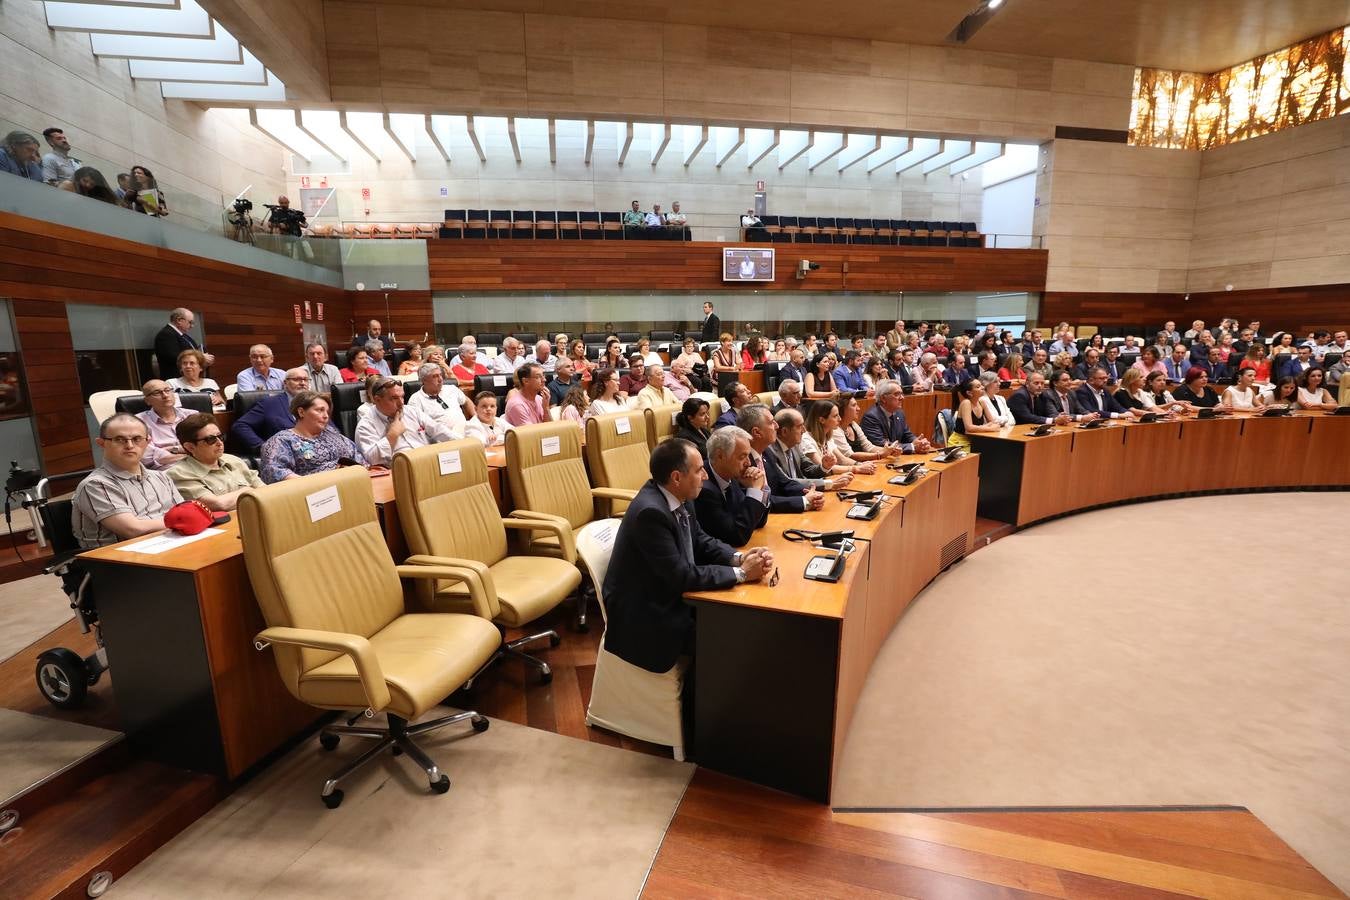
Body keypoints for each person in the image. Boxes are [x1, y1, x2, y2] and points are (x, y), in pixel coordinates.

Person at [602, 438, 771, 680]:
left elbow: (701, 540)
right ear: (676, 477)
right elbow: (681, 576)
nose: (704, 476)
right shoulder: (650, 513)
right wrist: (742, 574)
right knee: (732, 639)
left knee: (742, 621)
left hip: (670, 595)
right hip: (648, 615)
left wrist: (739, 558)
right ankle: (701, 714)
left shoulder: (679, 495)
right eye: (699, 469)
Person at [73, 414, 183, 549]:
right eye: (119, 439)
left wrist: (181, 520)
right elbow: (133, 530)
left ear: (148, 442)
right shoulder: (95, 485)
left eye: (137, 439)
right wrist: (179, 521)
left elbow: (184, 513)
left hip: (170, 545)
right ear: (101, 443)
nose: (129, 445)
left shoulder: (161, 477)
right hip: (119, 561)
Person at [736, 404, 824, 512]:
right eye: (771, 422)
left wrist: (811, 494)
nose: (777, 426)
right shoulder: (741, 462)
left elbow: (785, 483)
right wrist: (803, 501)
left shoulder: (766, 451)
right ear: (757, 432)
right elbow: (761, 501)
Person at [694, 427, 772, 547]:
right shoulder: (703, 489)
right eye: (742, 457)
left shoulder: (730, 475)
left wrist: (762, 489)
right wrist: (754, 491)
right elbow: (737, 536)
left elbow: (758, 522)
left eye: (748, 456)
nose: (749, 463)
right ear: (720, 456)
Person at [260, 391, 361, 483]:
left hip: (352, 484)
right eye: (320, 410)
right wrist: (312, 484)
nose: (326, 416)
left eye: (327, 412)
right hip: (313, 494)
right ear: (301, 412)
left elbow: (357, 456)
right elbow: (273, 471)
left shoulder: (332, 433)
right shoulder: (282, 440)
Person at [167, 414, 263, 510]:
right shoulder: (179, 474)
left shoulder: (234, 460)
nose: (219, 443)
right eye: (210, 439)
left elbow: (265, 491)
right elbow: (219, 505)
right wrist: (249, 491)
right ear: (190, 447)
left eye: (220, 436)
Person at [355, 377, 455, 466]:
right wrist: (392, 435)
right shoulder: (365, 425)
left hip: (427, 461)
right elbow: (372, 460)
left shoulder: (412, 411)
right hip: (398, 471)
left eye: (402, 396)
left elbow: (438, 430)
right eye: (394, 398)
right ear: (377, 400)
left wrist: (465, 443)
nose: (401, 403)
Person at [229, 368, 314, 453]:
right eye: (297, 379)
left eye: (305, 380)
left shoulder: (316, 403)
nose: (302, 383)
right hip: (282, 456)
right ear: (285, 383)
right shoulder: (270, 404)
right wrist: (263, 447)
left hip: (313, 452)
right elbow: (240, 425)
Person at [767, 408, 852, 492]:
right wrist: (828, 483)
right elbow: (788, 482)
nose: (804, 430)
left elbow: (808, 469)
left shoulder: (794, 445)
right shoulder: (770, 452)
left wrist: (824, 467)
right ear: (784, 431)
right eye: (800, 426)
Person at [802, 400, 874, 475]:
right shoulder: (807, 440)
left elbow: (842, 460)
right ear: (822, 420)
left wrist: (860, 464)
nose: (840, 419)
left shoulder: (827, 437)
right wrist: (856, 468)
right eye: (835, 416)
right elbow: (824, 468)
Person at [859, 380, 932, 452]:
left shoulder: (899, 413)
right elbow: (881, 444)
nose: (902, 398)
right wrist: (912, 447)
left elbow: (906, 434)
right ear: (883, 398)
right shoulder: (871, 417)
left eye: (901, 394)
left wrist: (918, 442)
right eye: (897, 394)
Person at [135, 380, 192, 469]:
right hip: (168, 471)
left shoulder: (192, 415)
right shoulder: (138, 422)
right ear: (147, 401)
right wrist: (190, 454)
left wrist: (170, 449)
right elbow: (147, 458)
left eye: (167, 390)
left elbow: (206, 445)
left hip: (201, 465)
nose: (165, 395)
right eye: (157, 393)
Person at [406, 363, 472, 438]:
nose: (440, 379)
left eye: (440, 375)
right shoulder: (416, 400)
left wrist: (475, 418)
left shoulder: (451, 389)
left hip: (465, 432)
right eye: (435, 376)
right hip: (441, 440)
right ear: (424, 380)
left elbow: (466, 401)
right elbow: (415, 427)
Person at [830, 393, 898, 463]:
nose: (858, 409)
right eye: (854, 405)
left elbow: (868, 447)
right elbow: (850, 455)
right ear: (842, 409)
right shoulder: (835, 430)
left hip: (861, 466)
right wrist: (880, 455)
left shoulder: (853, 424)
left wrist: (890, 451)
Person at [154, 308, 212, 379]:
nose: (192, 326)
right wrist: (200, 357)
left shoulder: (184, 336)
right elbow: (174, 357)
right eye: (190, 322)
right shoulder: (166, 334)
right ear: (179, 320)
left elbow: (194, 350)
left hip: (190, 378)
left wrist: (204, 360)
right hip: (177, 379)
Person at [947, 379, 1002, 449]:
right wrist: (989, 428)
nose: (982, 387)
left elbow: (993, 422)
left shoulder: (982, 402)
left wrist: (984, 427)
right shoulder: (966, 403)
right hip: (960, 442)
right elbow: (969, 427)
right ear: (969, 393)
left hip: (975, 440)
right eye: (978, 387)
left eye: (981, 385)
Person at [1008, 372, 1072, 426]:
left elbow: (1048, 412)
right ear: (1027, 384)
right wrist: (1054, 420)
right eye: (1036, 383)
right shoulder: (1020, 395)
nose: (1040, 386)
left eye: (1042, 383)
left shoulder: (1042, 394)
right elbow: (1026, 417)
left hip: (1032, 427)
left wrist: (1059, 416)